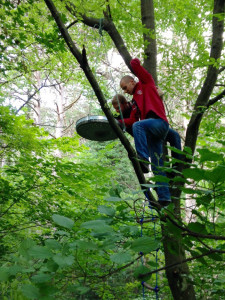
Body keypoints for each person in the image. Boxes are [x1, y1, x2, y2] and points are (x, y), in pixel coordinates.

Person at [117, 58, 173, 206]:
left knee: (138, 126)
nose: (125, 91)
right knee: (157, 165)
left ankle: (142, 159)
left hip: (160, 123)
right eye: (123, 89)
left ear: (132, 82)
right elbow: (132, 121)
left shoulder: (146, 83)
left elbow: (135, 64)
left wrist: (134, 61)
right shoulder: (135, 99)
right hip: (152, 132)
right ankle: (164, 198)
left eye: (125, 87)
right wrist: (117, 121)